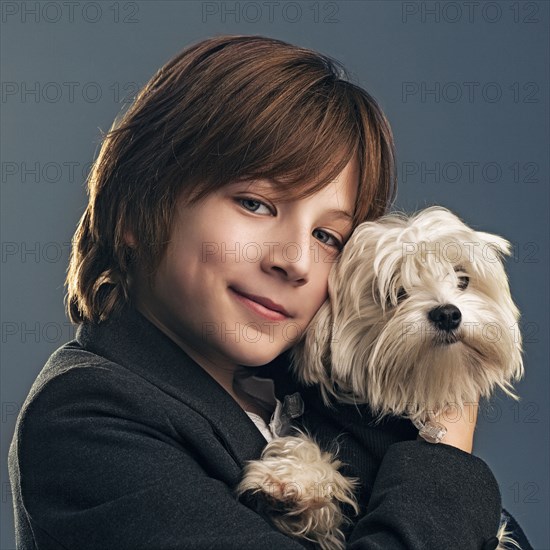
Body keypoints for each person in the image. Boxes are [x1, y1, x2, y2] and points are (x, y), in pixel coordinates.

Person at [8, 34, 532, 550]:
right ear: (136, 209)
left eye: (328, 236)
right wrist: (446, 453)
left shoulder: (318, 401)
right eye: (256, 204)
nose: (296, 261)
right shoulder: (85, 419)